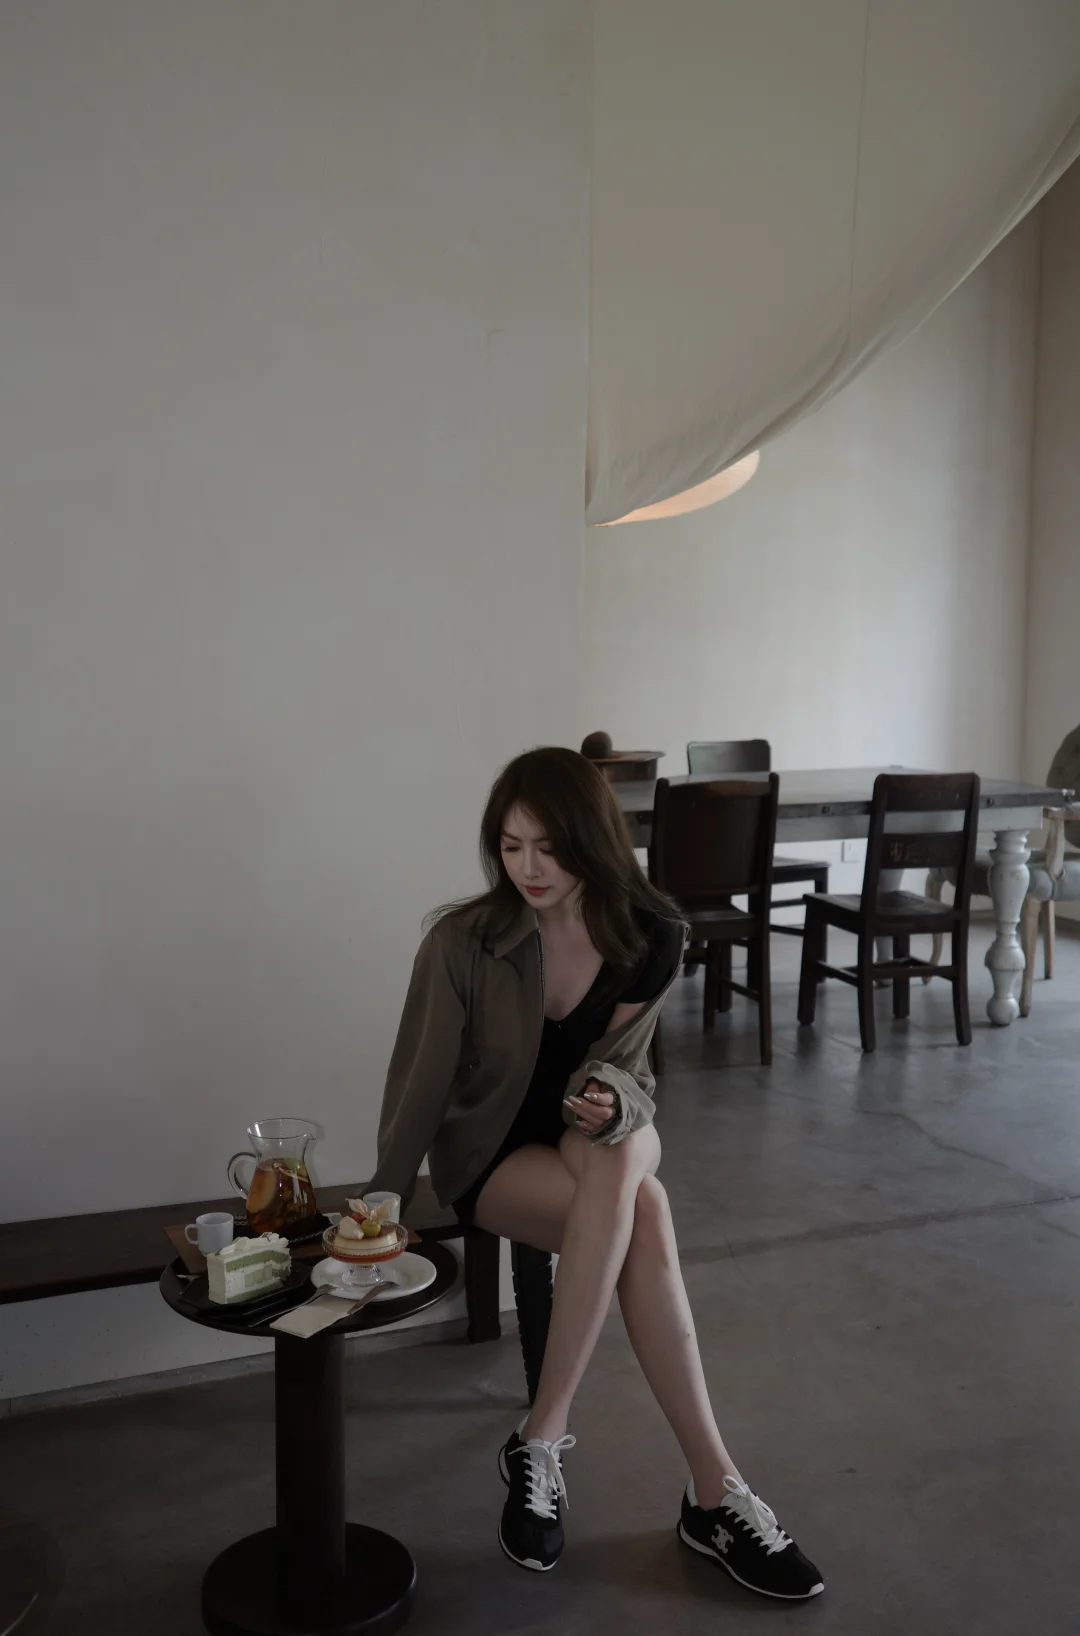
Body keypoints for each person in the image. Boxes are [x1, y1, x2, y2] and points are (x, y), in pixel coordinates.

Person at [368, 747, 824, 1600]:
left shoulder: (651, 933)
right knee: (644, 1210)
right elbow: (421, 1079)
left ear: (592, 840)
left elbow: (631, 1067)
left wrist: (612, 1098)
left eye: (549, 846)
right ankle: (712, 1490)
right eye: (511, 847)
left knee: (625, 1157)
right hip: (495, 1150)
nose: (529, 868)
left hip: (601, 1130)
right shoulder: (463, 941)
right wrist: (383, 1200)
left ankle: (542, 1439)